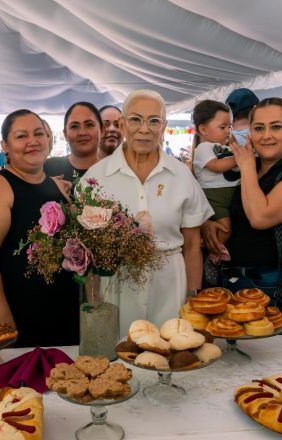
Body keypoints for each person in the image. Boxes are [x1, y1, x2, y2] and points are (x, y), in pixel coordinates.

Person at [81, 90, 213, 338]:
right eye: (135, 119)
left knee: (171, 355)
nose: (145, 129)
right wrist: (96, 304)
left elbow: (194, 244)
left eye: (154, 121)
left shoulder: (181, 175)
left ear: (163, 126)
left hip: (170, 284)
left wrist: (192, 300)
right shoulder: (95, 178)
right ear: (121, 124)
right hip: (116, 287)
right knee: (119, 355)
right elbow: (88, 251)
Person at [0, 109, 78, 347]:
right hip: (14, 317)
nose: (32, 141)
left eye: (39, 133)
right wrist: (6, 325)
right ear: (5, 145)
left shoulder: (57, 187)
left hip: (58, 317)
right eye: (21, 136)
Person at [222, 97, 282, 331]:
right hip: (235, 279)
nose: (266, 135)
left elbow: (260, 217)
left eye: (276, 127)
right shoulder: (254, 169)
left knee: (273, 361)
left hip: (274, 283)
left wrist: (245, 166)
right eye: (258, 128)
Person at [191, 100, 239, 244]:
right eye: (223, 127)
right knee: (225, 229)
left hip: (231, 193)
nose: (228, 131)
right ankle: (213, 254)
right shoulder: (203, 148)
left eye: (229, 126)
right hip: (214, 197)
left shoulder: (229, 148)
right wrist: (240, 158)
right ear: (204, 129)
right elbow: (217, 166)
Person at [43, 102, 102, 184]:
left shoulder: (114, 170)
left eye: (89, 125)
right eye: (74, 126)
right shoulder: (47, 168)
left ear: (102, 131)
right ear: (65, 134)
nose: (82, 132)